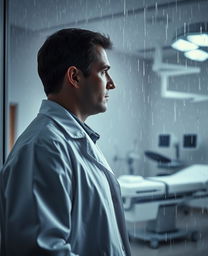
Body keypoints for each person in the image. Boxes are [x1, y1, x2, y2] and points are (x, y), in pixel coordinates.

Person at [0, 28, 131, 256]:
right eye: (103, 72)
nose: (111, 84)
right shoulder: (43, 147)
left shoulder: (71, 140)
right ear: (75, 77)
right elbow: (40, 251)